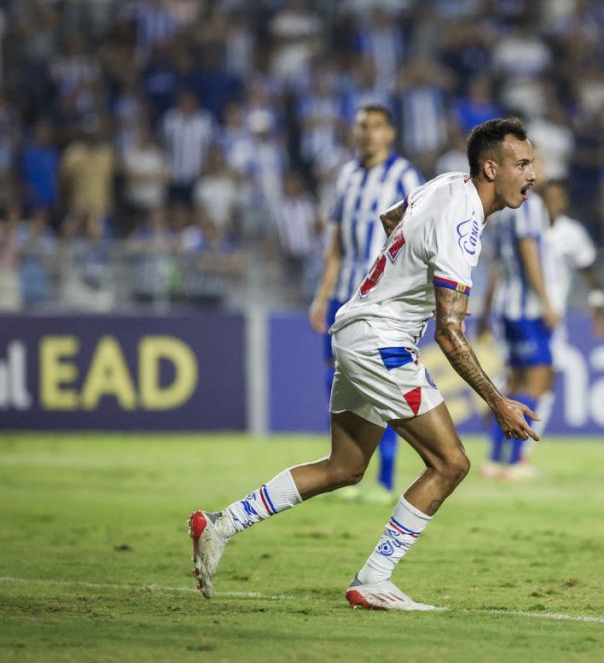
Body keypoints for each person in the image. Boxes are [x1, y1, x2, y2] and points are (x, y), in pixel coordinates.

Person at [189, 118, 539, 611]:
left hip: (354, 326)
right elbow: (451, 333)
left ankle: (219, 524)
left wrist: (401, 273)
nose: (532, 175)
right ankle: (374, 578)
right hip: (382, 341)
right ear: (491, 167)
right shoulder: (463, 227)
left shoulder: (445, 184)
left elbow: (390, 218)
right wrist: (497, 400)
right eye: (522, 164)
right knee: (451, 462)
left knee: (345, 467)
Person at [308, 104, 422, 502]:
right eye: (362, 127)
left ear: (390, 132)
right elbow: (335, 243)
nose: (368, 134)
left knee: (384, 382)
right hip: (342, 292)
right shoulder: (346, 176)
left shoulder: (405, 177)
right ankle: (347, 463)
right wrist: (321, 296)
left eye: (376, 126)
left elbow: (418, 239)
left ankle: (386, 479)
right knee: (336, 378)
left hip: (380, 297)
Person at [478, 187, 557, 480]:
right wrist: (546, 301)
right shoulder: (531, 205)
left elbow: (497, 266)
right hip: (528, 310)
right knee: (537, 382)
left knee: (513, 382)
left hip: (505, 307)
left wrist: (487, 308)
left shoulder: (500, 208)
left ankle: (493, 459)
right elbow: (528, 252)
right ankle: (514, 461)